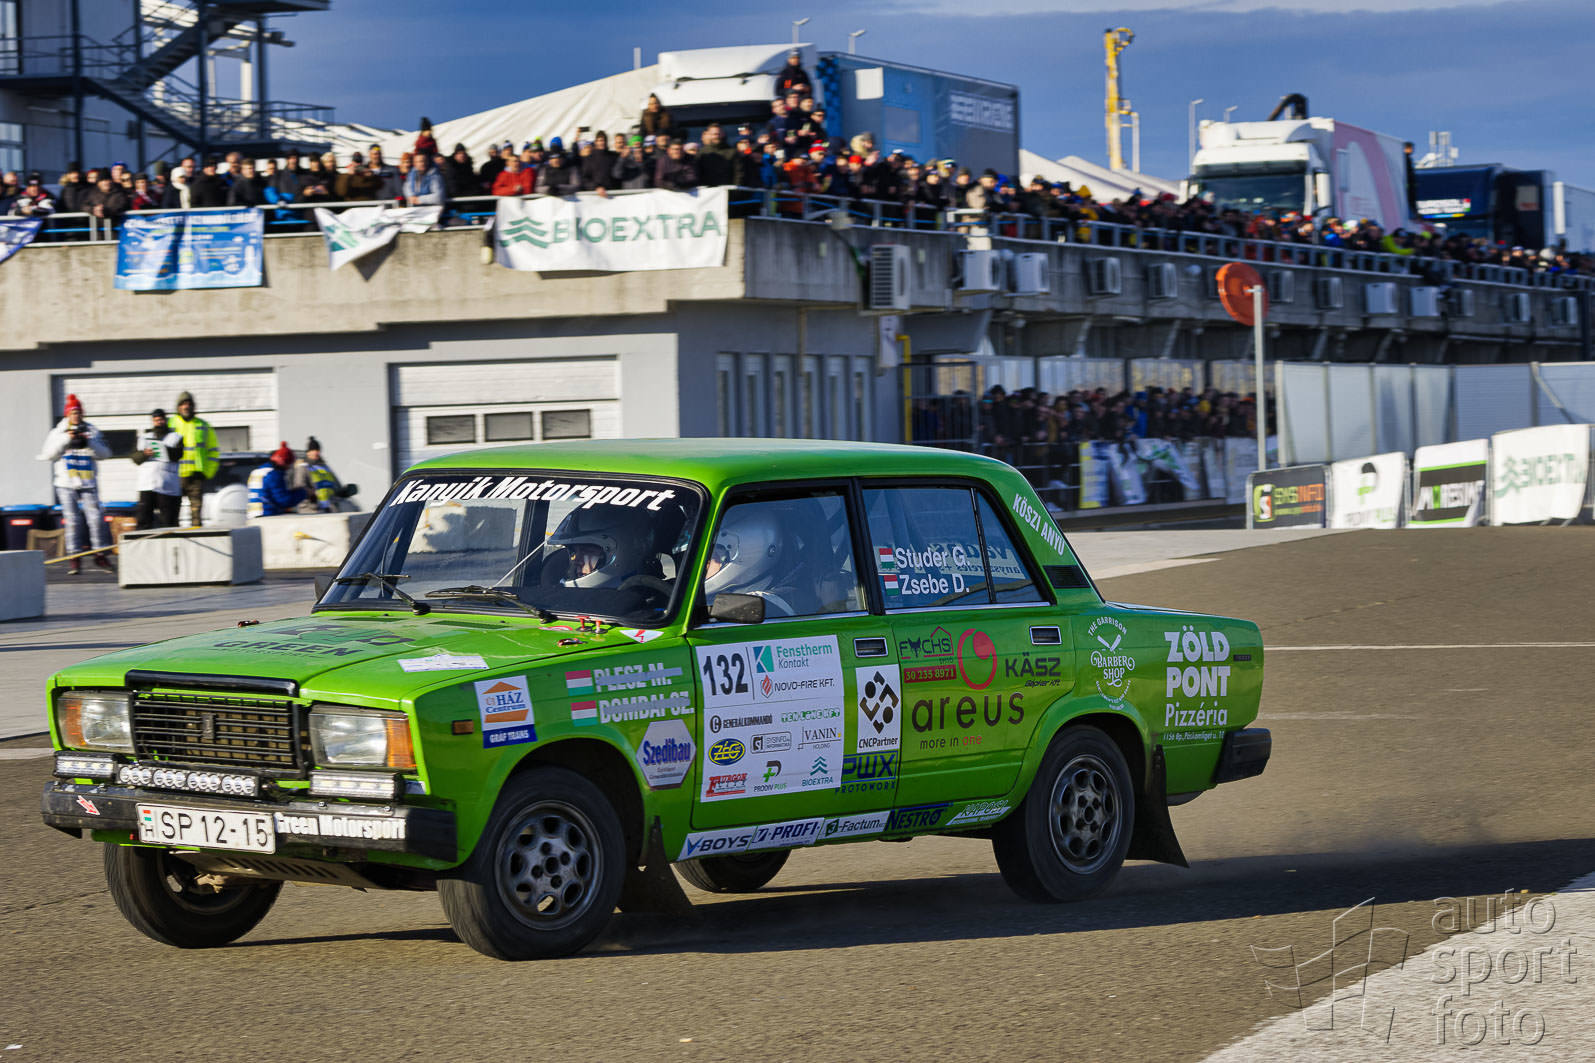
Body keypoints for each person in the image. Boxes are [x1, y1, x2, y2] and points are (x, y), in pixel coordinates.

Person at [38, 394, 113, 574]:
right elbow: (47, 454)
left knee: (96, 518)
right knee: (72, 520)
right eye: (73, 413)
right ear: (67, 414)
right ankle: (74, 557)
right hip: (66, 482)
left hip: (88, 481)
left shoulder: (92, 431)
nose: (76, 416)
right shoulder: (58, 432)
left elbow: (106, 454)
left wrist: (89, 442)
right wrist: (66, 439)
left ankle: (99, 554)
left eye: (78, 412)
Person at [170, 390, 218, 527]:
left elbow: (213, 451)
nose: (186, 407)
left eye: (189, 404)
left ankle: (196, 535)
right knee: (173, 512)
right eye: (183, 404)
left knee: (196, 514)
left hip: (195, 476)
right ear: (178, 407)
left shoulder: (203, 425)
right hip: (175, 476)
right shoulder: (170, 424)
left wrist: (207, 472)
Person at [131, 408, 184, 529]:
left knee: (168, 520)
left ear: (165, 420)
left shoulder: (175, 437)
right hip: (147, 484)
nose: (159, 422)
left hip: (168, 485)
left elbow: (178, 454)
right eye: (156, 420)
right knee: (144, 519)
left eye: (161, 420)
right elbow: (134, 457)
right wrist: (144, 454)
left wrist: (162, 449)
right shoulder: (144, 438)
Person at [247, 442, 308, 517]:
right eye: (289, 465)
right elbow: (284, 500)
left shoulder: (255, 472)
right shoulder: (273, 474)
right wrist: (303, 492)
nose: (288, 468)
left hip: (252, 515)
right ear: (284, 463)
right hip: (267, 515)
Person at [292, 436, 339, 512]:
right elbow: (299, 486)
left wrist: (342, 492)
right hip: (311, 509)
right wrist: (311, 493)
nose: (316, 452)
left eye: (317, 450)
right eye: (313, 450)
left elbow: (334, 486)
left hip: (328, 508)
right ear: (308, 452)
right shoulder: (303, 467)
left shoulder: (325, 467)